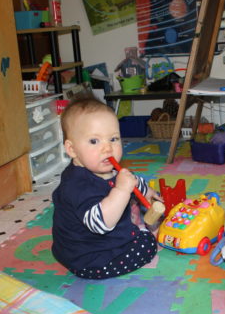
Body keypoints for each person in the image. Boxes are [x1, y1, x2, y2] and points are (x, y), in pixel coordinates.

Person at [51, 95, 161, 279]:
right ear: (72, 149)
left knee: (126, 189)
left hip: (94, 245)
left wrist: (150, 194)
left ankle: (135, 231)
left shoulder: (103, 167)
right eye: (94, 141)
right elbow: (100, 224)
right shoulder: (76, 185)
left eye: (113, 139)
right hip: (88, 258)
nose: (107, 149)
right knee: (147, 244)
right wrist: (121, 190)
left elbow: (130, 180)